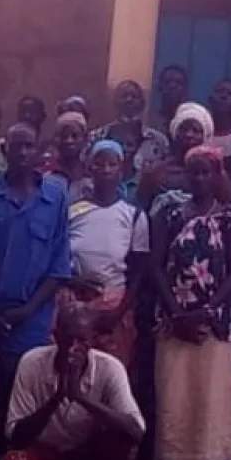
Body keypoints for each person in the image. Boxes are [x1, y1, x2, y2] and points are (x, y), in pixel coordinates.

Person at [0, 121, 73, 413]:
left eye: (29, 146)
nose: (22, 152)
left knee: (21, 400)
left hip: (30, 321)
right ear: (5, 150)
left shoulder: (55, 197)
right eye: (16, 146)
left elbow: (58, 267)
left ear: (39, 151)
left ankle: (13, 458)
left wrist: (29, 310)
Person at [149, 145, 231, 460]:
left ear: (217, 175)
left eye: (206, 172)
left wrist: (207, 310)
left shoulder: (230, 217)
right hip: (174, 322)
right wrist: (178, 315)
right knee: (178, 399)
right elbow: (156, 267)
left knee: (212, 399)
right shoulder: (170, 214)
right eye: (194, 172)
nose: (200, 178)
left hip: (215, 323)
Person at [0, 302, 145, 460]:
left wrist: (81, 397)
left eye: (82, 340)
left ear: (93, 341)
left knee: (120, 441)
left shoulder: (110, 368)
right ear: (55, 336)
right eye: (67, 339)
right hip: (45, 454)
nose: (73, 348)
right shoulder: (32, 363)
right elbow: (16, 435)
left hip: (87, 454)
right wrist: (57, 398)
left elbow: (136, 430)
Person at [66, 140, 149, 369]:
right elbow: (58, 257)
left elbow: (139, 272)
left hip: (114, 305)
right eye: (99, 164)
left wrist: (118, 312)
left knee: (111, 370)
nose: (105, 170)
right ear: (89, 169)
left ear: (121, 170)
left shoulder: (133, 215)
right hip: (75, 301)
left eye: (111, 164)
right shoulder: (73, 210)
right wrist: (74, 281)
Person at [138, 102, 210, 215]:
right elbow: (141, 211)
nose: (189, 135)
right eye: (183, 129)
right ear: (175, 132)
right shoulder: (155, 171)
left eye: (196, 131)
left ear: (204, 136)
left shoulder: (215, 172)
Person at [90, 80, 171, 178]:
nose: (129, 100)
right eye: (124, 96)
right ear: (115, 102)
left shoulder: (158, 141)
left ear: (142, 103)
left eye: (134, 96)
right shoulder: (97, 137)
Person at [47, 111, 90, 198]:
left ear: (85, 139)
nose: (69, 141)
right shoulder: (47, 176)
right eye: (64, 136)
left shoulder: (92, 176)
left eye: (75, 136)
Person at [205, 79, 231, 156]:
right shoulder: (198, 134)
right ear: (210, 99)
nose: (223, 96)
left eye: (230, 94)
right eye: (219, 92)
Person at [147, 65, 189, 135]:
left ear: (185, 89)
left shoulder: (190, 122)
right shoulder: (149, 120)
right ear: (159, 88)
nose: (172, 86)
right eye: (167, 82)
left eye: (179, 82)